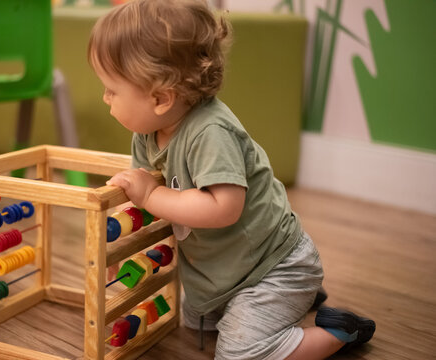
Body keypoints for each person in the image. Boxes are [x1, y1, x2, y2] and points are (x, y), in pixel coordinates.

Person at [87, 0, 375, 359]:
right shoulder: (147, 132)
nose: (105, 98)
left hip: (274, 267)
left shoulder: (211, 132)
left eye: (112, 90)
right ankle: (287, 306)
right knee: (194, 321)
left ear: (161, 98)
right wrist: (120, 248)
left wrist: (150, 194)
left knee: (238, 354)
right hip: (225, 271)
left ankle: (337, 332)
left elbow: (224, 208)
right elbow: (147, 208)